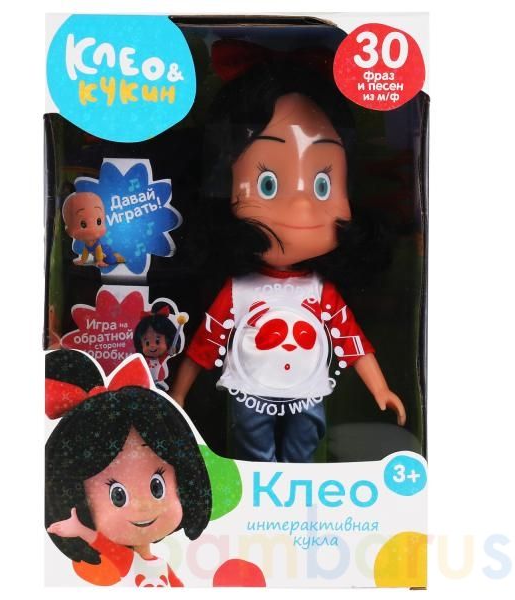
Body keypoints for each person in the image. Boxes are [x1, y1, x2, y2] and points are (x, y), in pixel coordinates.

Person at [171, 55, 405, 463]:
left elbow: (351, 341)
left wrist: (380, 388)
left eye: (322, 184)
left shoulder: (320, 290)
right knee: (252, 446)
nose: (300, 206)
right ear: (224, 186)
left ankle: (299, 486)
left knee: (304, 444)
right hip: (250, 390)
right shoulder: (239, 289)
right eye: (267, 183)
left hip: (307, 391)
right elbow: (205, 343)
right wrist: (179, 393)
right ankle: (258, 485)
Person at [45, 350, 212, 586]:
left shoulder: (159, 565)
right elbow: (104, 545)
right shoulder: (129, 562)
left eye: (157, 487)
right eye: (118, 495)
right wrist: (80, 529)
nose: (143, 506)